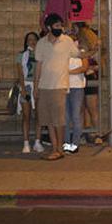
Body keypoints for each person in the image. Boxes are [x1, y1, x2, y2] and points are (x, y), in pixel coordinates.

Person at [35, 13, 80, 160]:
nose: (59, 28)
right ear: (48, 27)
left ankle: (59, 149)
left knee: (59, 120)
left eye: (61, 26)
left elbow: (79, 54)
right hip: (44, 86)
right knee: (47, 120)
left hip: (59, 85)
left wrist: (95, 49)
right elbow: (38, 67)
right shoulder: (41, 43)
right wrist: (36, 88)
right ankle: (54, 148)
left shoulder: (67, 41)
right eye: (56, 26)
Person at [17, 31, 42, 154]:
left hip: (38, 85)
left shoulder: (41, 55)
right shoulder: (21, 55)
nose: (32, 41)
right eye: (29, 39)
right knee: (26, 116)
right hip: (26, 86)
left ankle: (37, 142)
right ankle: (26, 142)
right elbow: (20, 73)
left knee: (39, 116)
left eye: (34, 39)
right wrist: (22, 89)